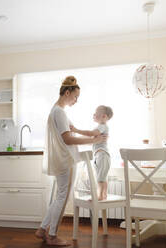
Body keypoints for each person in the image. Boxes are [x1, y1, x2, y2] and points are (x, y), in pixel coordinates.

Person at [35, 76, 107, 246]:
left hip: (63, 160)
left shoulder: (57, 111)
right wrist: (94, 141)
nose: (76, 100)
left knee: (59, 196)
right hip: (66, 161)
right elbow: (67, 139)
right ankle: (52, 235)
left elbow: (73, 131)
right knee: (62, 198)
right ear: (67, 92)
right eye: (75, 97)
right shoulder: (59, 112)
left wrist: (93, 135)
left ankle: (42, 229)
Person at [70, 105, 113, 200]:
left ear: (104, 116)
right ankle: (103, 195)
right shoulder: (101, 127)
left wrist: (76, 130)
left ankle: (100, 196)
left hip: (102, 155)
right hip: (100, 155)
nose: (93, 115)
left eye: (96, 113)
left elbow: (90, 133)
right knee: (102, 177)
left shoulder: (102, 126)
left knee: (100, 178)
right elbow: (91, 139)